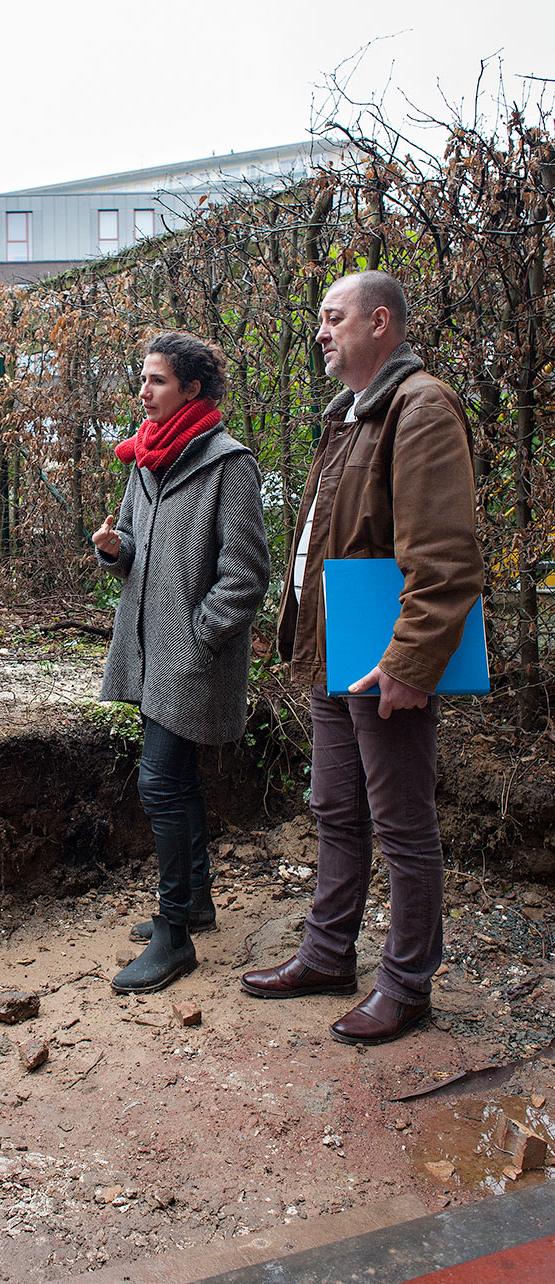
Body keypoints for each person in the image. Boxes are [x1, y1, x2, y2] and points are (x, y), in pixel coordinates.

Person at [241, 270, 484, 1045]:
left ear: (380, 323)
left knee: (402, 824)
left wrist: (412, 660)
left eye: (332, 316)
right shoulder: (349, 416)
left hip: (383, 661)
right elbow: (328, 541)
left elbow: (445, 557)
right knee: (336, 810)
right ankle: (326, 955)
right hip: (334, 652)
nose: (320, 330)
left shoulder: (420, 407)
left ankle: (408, 986)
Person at [95, 332, 270, 994]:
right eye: (143, 380)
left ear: (192, 390)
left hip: (191, 659)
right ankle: (195, 900)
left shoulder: (230, 465)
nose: (144, 391)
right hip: (148, 653)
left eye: (157, 381)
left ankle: (174, 936)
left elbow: (247, 572)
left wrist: (201, 637)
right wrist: (116, 549)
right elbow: (138, 549)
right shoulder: (147, 457)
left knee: (160, 785)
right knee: (177, 781)